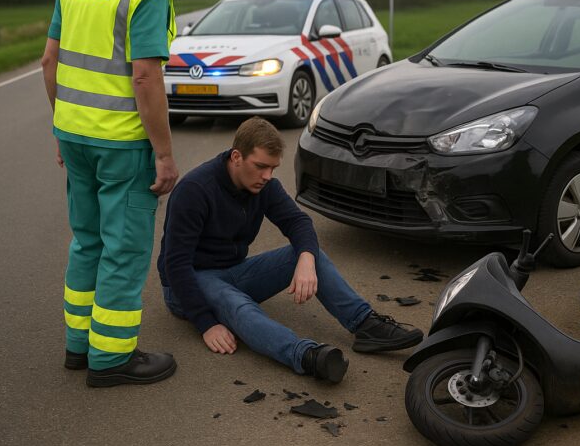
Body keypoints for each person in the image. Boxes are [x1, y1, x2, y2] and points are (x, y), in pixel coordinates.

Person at [40, 0, 194, 387]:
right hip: (122, 146)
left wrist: (63, 126)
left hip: (76, 136)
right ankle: (111, 360)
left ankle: (78, 347)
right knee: (124, 251)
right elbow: (145, 78)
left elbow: (50, 61)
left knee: (87, 242)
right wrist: (166, 155)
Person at [157, 117, 424, 383]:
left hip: (232, 271)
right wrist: (206, 323)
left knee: (310, 254)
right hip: (188, 283)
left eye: (272, 168)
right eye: (260, 166)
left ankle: (365, 324)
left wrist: (306, 260)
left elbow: (298, 222)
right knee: (237, 305)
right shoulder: (195, 190)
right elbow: (175, 263)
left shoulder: (264, 186)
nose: (267, 177)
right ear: (236, 157)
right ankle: (305, 355)